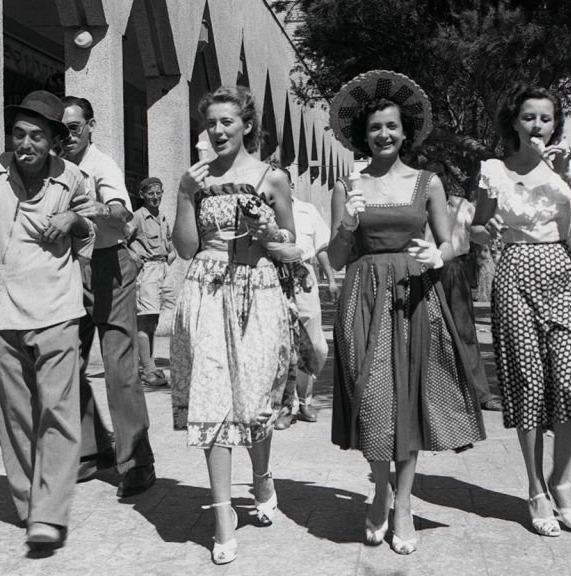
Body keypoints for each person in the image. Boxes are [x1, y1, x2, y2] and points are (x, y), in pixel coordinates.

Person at [326, 70, 486, 555]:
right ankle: (379, 489)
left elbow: (450, 242)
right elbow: (334, 258)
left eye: (392, 126)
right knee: (374, 399)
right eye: (376, 128)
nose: (384, 135)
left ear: (405, 130)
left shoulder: (428, 182)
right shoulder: (346, 184)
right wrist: (347, 223)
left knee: (411, 399)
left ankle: (403, 504)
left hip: (417, 297)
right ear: (363, 133)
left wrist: (444, 254)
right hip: (364, 298)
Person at [470, 84, 571, 537]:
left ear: (556, 124)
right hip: (513, 271)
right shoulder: (494, 170)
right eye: (528, 117)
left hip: (562, 271)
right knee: (527, 382)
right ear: (514, 122)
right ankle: (534, 488)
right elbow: (476, 231)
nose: (537, 126)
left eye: (545, 119)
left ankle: (561, 479)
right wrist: (484, 227)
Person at [169, 85, 299, 565]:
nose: (218, 130)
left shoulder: (273, 178)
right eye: (211, 123)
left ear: (246, 124)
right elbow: (184, 247)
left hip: (258, 290)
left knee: (255, 397)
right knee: (212, 398)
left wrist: (271, 234)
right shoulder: (195, 180)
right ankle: (223, 514)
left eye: (227, 121)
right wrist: (184, 193)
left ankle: (262, 477)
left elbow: (291, 243)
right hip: (205, 287)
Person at [0, 90, 95, 549]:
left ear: (54, 141)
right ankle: (29, 505)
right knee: (16, 420)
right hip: (3, 310)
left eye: (37, 136)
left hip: (58, 309)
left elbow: (90, 228)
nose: (25, 143)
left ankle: (50, 514)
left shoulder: (73, 179)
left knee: (58, 415)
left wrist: (71, 223)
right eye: (19, 134)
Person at [60, 96, 156, 498]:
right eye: (60, 128)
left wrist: (102, 208)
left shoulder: (102, 165)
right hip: (65, 270)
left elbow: (124, 215)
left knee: (119, 369)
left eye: (74, 127)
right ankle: (92, 449)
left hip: (108, 265)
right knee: (63, 365)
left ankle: (137, 462)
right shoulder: (52, 168)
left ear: (91, 126)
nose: (66, 135)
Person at [273, 168, 335, 430]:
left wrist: (331, 279)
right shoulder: (265, 212)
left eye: (282, 183)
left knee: (315, 346)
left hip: (304, 276)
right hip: (274, 277)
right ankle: (286, 407)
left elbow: (320, 248)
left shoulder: (308, 211)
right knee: (283, 345)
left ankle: (305, 399)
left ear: (291, 185)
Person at [432, 189, 504, 411]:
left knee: (465, 333)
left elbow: (479, 232)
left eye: (442, 173)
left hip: (454, 268)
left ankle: (481, 394)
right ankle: (431, 395)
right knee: (425, 332)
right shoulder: (414, 202)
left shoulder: (462, 206)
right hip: (422, 269)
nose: (438, 178)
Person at [125, 177, 176, 388]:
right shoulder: (137, 217)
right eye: (150, 194)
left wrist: (171, 254)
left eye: (158, 193)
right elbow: (120, 240)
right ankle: (147, 370)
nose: (155, 197)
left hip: (162, 270)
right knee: (144, 321)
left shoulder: (162, 216)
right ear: (142, 195)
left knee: (153, 321)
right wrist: (134, 256)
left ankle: (150, 364)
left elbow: (170, 241)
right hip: (146, 273)